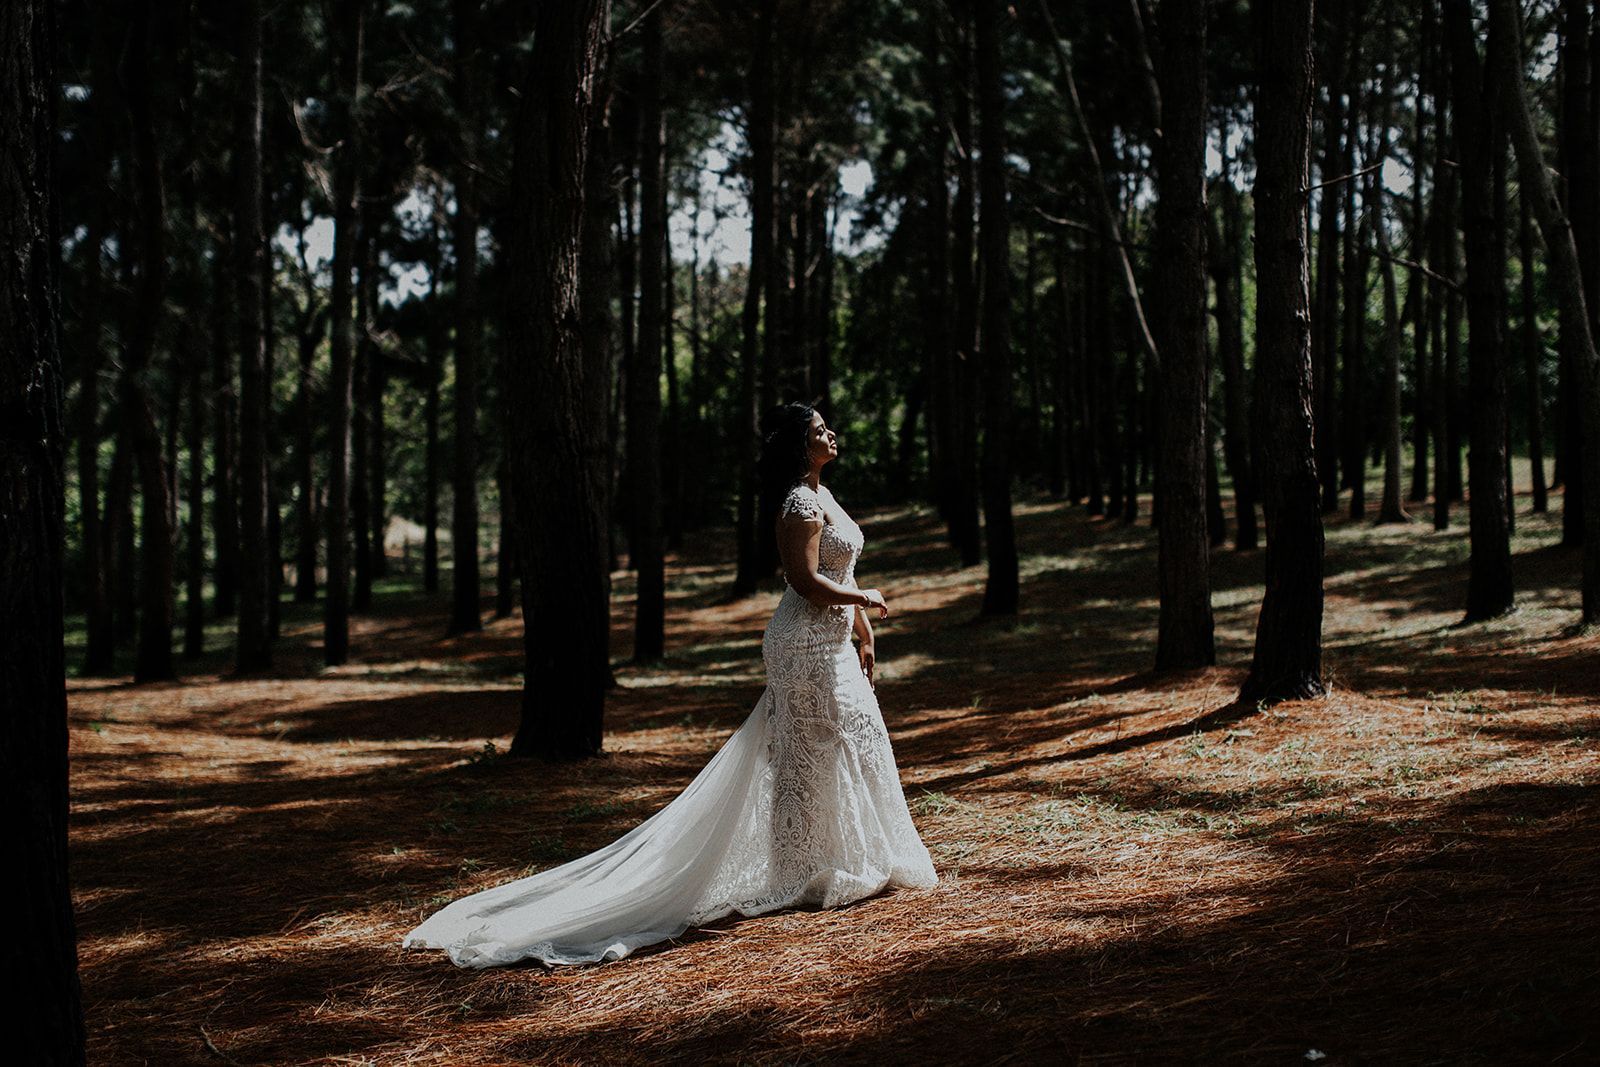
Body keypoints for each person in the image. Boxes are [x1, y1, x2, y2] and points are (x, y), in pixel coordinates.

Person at [402, 402, 937, 968]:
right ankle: (800, 871)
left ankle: (846, 856)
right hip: (801, 646)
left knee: (853, 744)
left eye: (826, 426)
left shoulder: (825, 495)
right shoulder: (799, 504)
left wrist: (863, 634)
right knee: (805, 755)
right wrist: (865, 601)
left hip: (833, 643)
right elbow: (805, 582)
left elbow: (841, 571)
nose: (831, 434)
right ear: (798, 447)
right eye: (817, 430)